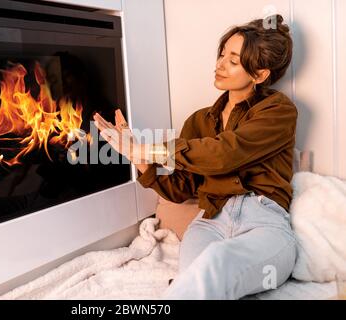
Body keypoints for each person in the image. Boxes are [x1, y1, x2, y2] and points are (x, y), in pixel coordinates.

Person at [93, 14, 298, 299]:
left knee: (214, 265)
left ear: (259, 75)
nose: (219, 64)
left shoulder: (278, 111)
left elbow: (226, 153)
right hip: (209, 223)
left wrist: (148, 148)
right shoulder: (199, 121)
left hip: (263, 222)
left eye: (233, 61)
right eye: (222, 54)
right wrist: (135, 153)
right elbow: (181, 189)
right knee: (194, 283)